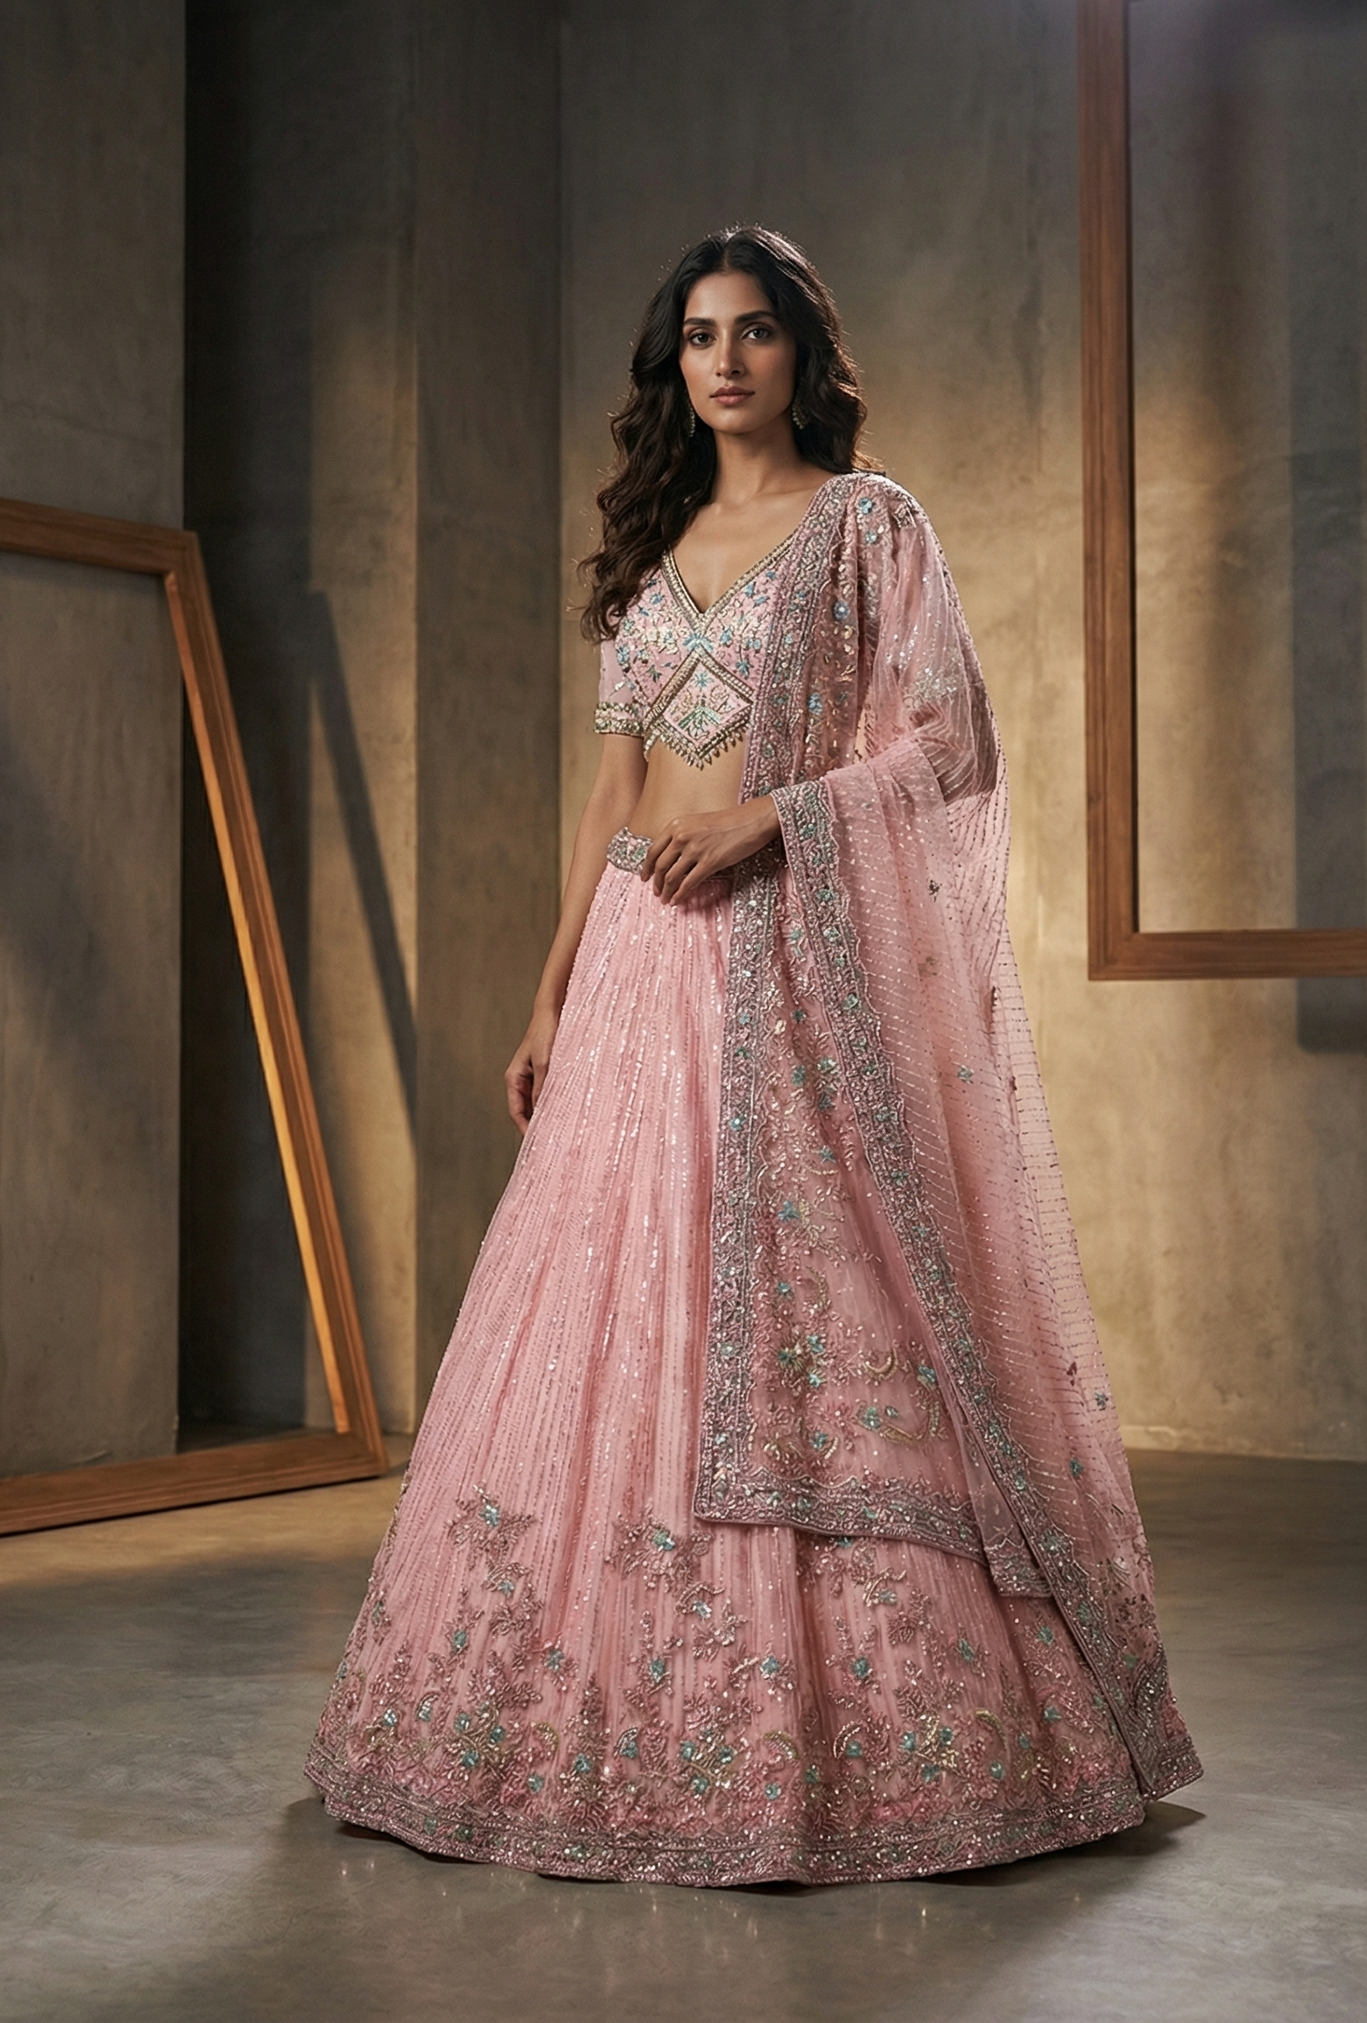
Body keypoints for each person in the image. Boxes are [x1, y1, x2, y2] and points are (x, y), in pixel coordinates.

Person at [306, 226, 1199, 1886]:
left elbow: (953, 744)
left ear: (803, 355)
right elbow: (616, 797)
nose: (727, 362)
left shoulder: (869, 528)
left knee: (819, 1308)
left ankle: (885, 1727)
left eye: (757, 333)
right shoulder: (654, 559)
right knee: (602, 1323)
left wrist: (779, 816)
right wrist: (550, 990)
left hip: (791, 982)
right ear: (676, 369)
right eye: (701, 337)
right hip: (642, 979)